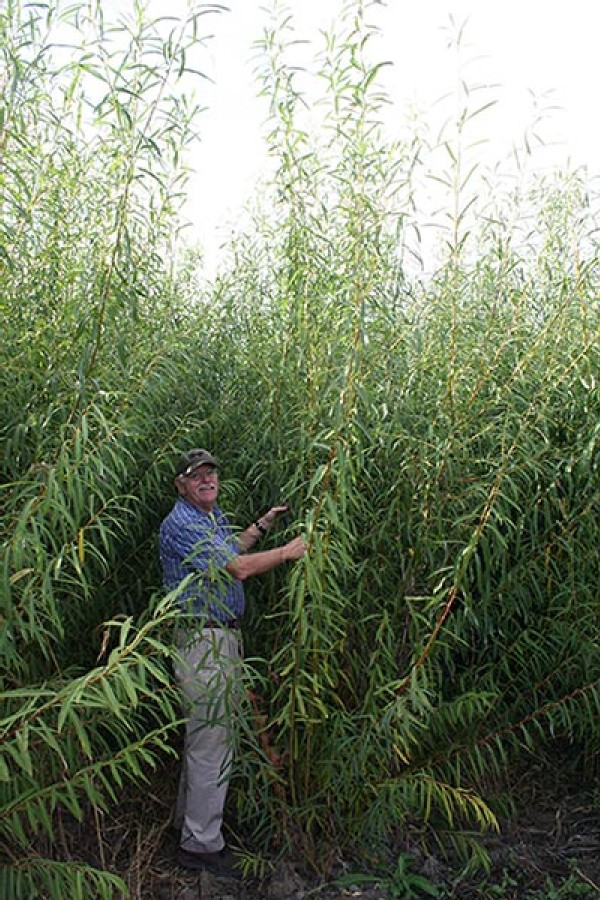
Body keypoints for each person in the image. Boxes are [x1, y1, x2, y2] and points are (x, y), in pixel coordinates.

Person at [159, 448, 307, 879]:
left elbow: (232, 548)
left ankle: (187, 828)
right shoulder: (181, 523)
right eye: (196, 475)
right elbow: (237, 568)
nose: (207, 480)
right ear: (180, 485)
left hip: (218, 638)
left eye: (211, 473)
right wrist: (286, 552)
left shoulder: (210, 517)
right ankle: (201, 847)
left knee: (203, 739)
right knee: (212, 741)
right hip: (201, 642)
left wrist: (263, 525)